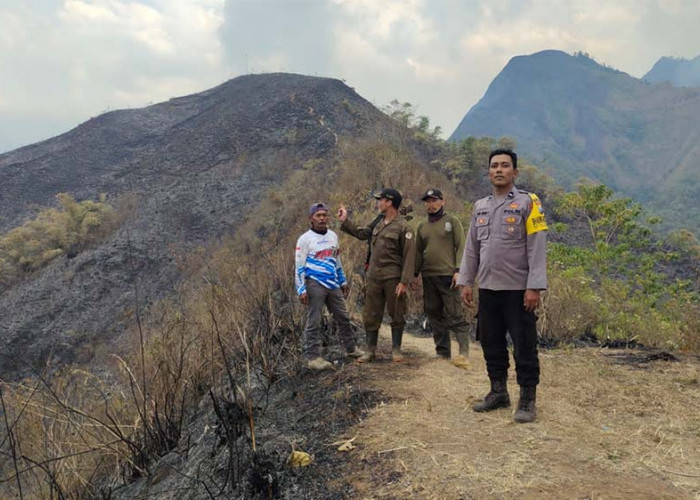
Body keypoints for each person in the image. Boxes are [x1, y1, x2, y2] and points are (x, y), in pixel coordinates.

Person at [457, 149, 548, 423]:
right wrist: (466, 281)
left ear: (515, 172)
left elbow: (537, 246)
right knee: (491, 343)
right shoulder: (480, 206)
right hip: (488, 288)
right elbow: (472, 248)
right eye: (494, 166)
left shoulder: (528, 203)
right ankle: (498, 392)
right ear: (488, 172)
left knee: (523, 345)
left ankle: (528, 399)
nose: (499, 170)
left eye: (505, 166)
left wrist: (534, 287)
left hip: (518, 289)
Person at [338, 188, 416, 363]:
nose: (378, 202)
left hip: (393, 277)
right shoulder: (378, 223)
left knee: (397, 313)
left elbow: (410, 256)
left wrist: (404, 282)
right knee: (371, 314)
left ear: (389, 202)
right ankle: (370, 351)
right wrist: (345, 221)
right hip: (374, 277)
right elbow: (362, 233)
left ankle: (396, 350)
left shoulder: (404, 227)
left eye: (380, 200)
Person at [295, 202, 364, 371]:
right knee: (315, 320)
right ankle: (313, 357)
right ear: (311, 218)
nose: (322, 219)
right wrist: (301, 289)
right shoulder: (304, 239)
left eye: (324, 215)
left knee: (343, 317)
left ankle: (351, 349)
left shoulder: (333, 236)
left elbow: (337, 259)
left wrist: (343, 280)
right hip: (314, 283)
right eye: (318, 216)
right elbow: (298, 266)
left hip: (333, 283)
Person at [413, 188, 470, 363]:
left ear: (442, 202)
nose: (431, 204)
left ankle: (463, 353)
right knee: (434, 314)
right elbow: (417, 252)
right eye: (428, 201)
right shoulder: (422, 226)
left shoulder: (452, 221)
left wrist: (458, 270)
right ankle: (443, 352)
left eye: (434, 200)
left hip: (448, 276)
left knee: (455, 314)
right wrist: (414, 274)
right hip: (428, 275)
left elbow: (462, 247)